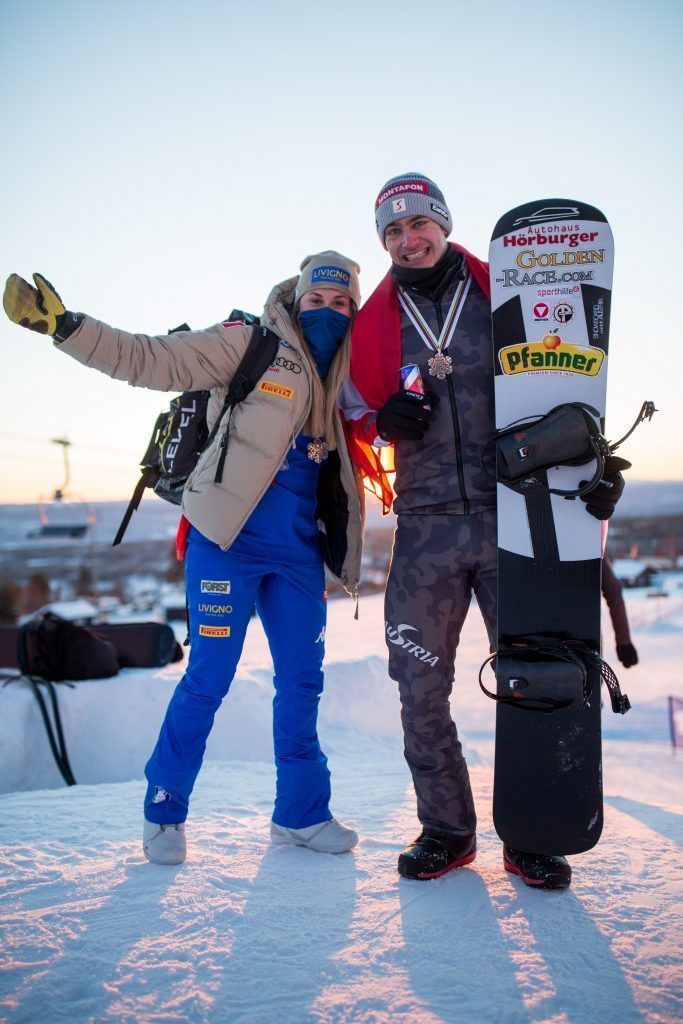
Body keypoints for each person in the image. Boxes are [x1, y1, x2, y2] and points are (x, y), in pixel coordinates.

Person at [4, 251, 365, 865]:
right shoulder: (249, 343)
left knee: (302, 684)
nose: (327, 312)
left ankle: (302, 814)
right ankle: (165, 809)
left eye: (341, 303)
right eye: (316, 300)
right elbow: (151, 358)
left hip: (298, 554)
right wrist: (68, 328)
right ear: (296, 301)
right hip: (227, 544)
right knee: (209, 678)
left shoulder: (349, 374)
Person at [341, 173, 627, 889]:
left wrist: (592, 462)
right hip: (425, 527)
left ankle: (531, 833)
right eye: (392, 232)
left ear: (441, 222)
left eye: (418, 224)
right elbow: (351, 409)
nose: (408, 239)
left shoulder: (506, 292)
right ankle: (446, 829)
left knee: (535, 674)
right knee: (417, 684)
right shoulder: (373, 324)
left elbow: (565, 380)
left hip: (517, 518)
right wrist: (383, 424)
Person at [602, 557, 638, 668]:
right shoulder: (585, 544)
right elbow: (613, 591)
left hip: (547, 634)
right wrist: (624, 642)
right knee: (587, 680)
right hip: (582, 635)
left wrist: (624, 641)